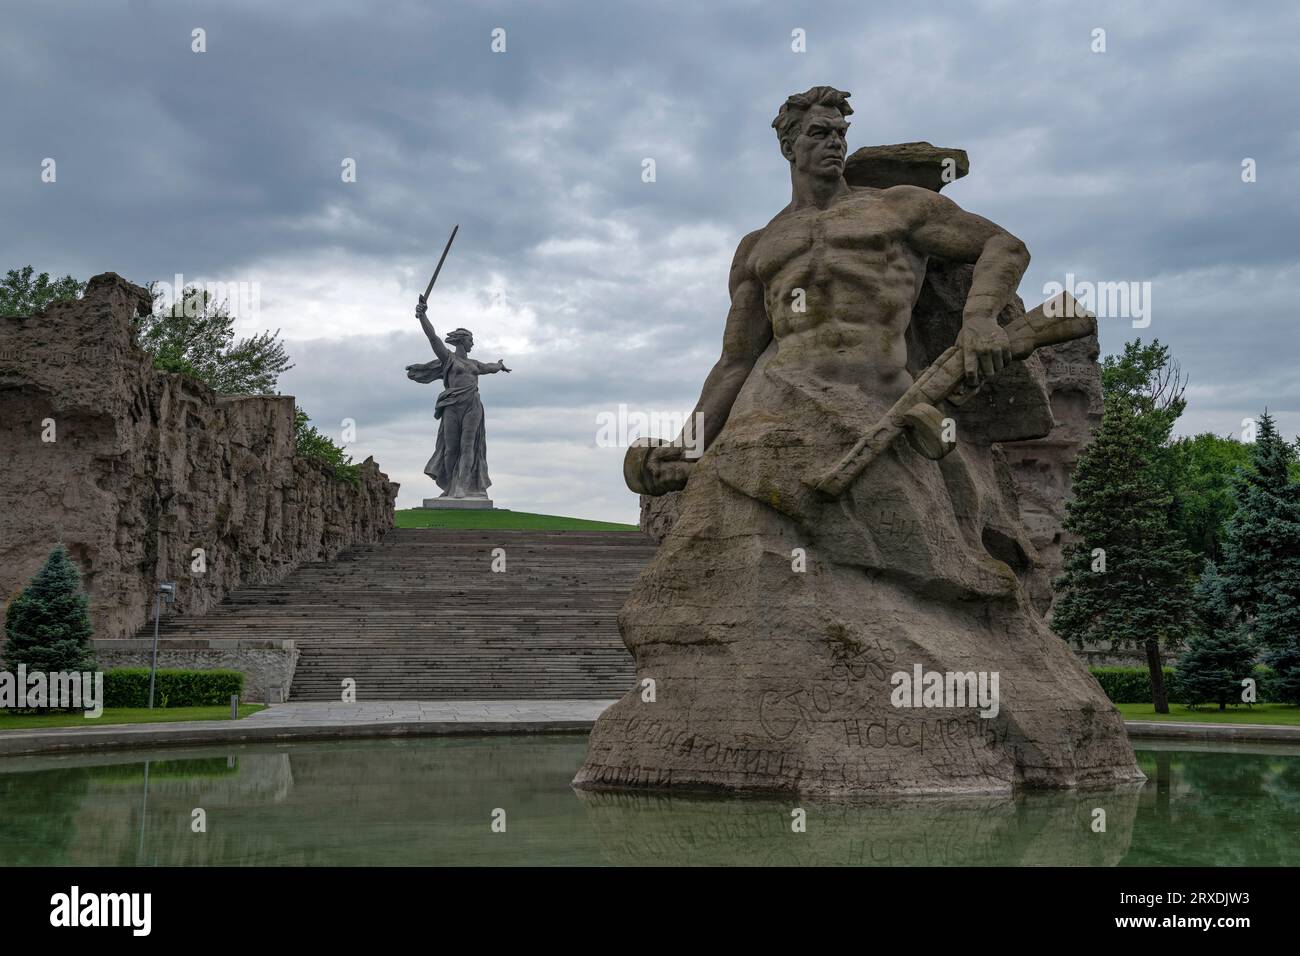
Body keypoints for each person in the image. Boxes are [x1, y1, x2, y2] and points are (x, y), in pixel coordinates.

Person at [406, 296, 509, 498]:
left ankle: (462, 486)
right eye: (470, 339)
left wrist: (500, 365)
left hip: (472, 405)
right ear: (462, 341)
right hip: (452, 405)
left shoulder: (475, 365)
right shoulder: (448, 359)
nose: (473, 343)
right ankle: (450, 486)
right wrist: (422, 316)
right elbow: (433, 338)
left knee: (468, 446)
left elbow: (491, 367)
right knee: (450, 449)